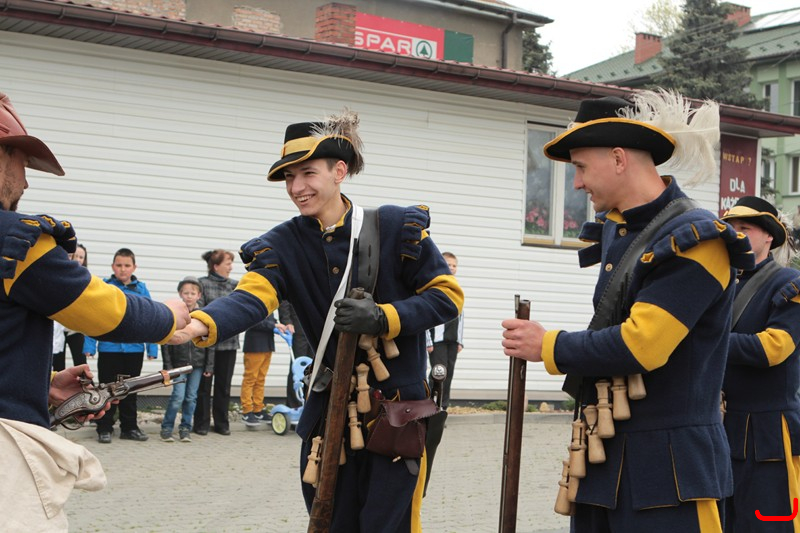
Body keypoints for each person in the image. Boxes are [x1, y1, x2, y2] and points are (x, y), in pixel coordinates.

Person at [170, 109, 463, 532]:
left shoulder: (395, 226)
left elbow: (447, 297)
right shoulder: (282, 244)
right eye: (289, 177)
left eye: (308, 173)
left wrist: (384, 317)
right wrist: (198, 325)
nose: (296, 188)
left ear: (339, 171)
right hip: (329, 412)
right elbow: (252, 296)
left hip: (397, 415)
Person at [501, 90, 753, 532]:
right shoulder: (621, 231)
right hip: (603, 465)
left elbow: (643, 345)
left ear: (619, 159)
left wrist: (549, 345)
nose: (576, 183)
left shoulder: (697, 239)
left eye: (581, 167)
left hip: (670, 478)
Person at [0, 91, 189, 531]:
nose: (25, 183)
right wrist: (169, 316)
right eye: (21, 163)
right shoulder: (13, 240)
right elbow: (103, 311)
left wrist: (41, 384)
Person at [719, 196, 800, 531]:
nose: (736, 234)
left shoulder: (789, 283)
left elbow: (774, 348)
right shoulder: (717, 284)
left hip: (770, 434)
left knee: (773, 522)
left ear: (769, 235)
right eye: (731, 228)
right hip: (722, 427)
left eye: (745, 228)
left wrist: (710, 343)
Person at [84, 248, 160, 443]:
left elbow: (150, 319)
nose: (123, 269)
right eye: (119, 265)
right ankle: (104, 427)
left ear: (134, 267)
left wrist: (152, 347)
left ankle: (129, 427)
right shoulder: (105, 287)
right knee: (107, 389)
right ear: (113, 267)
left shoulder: (141, 290)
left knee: (130, 389)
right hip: (109, 348)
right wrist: (89, 345)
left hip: (134, 349)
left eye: (127, 265)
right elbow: (94, 316)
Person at [194, 249, 239, 436]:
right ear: (216, 266)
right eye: (228, 263)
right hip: (207, 343)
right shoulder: (202, 284)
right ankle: (201, 423)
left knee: (223, 386)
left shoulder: (236, 285)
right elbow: (200, 312)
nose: (231, 267)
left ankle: (222, 423)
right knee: (204, 386)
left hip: (229, 343)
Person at [160, 276, 210, 443]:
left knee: (191, 397)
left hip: (197, 365)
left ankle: (185, 429)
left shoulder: (204, 316)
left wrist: (209, 365)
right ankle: (167, 428)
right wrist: (167, 365)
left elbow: (210, 342)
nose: (189, 296)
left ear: (199, 295)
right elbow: (166, 341)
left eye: (192, 293)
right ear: (180, 294)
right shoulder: (174, 314)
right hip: (178, 365)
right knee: (177, 397)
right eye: (186, 293)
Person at [427, 251, 464, 410]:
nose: (452, 268)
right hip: (437, 341)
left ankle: (443, 406)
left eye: (454, 265)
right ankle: (430, 404)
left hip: (452, 340)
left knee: (449, 374)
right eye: (448, 264)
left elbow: (461, 316)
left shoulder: (457, 288)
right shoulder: (435, 286)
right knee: (438, 372)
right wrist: (428, 340)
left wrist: (459, 340)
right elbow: (428, 314)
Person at [240, 311, 286, 426]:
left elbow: (270, 321)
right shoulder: (253, 304)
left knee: (260, 379)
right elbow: (254, 322)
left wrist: (277, 325)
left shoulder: (269, 305)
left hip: (267, 345)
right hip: (255, 345)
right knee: (250, 379)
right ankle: (246, 411)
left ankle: (258, 409)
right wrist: (274, 325)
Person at [279, 300, 311, 408]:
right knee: (297, 367)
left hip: (315, 330)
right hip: (299, 328)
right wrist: (287, 321)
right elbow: (285, 301)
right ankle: (294, 405)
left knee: (312, 368)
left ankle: (307, 403)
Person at [64, 243, 90, 364]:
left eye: (81, 257)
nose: (78, 259)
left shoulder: (86, 278)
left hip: (76, 327)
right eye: (76, 256)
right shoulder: (61, 274)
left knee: (81, 361)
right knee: (58, 363)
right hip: (60, 327)